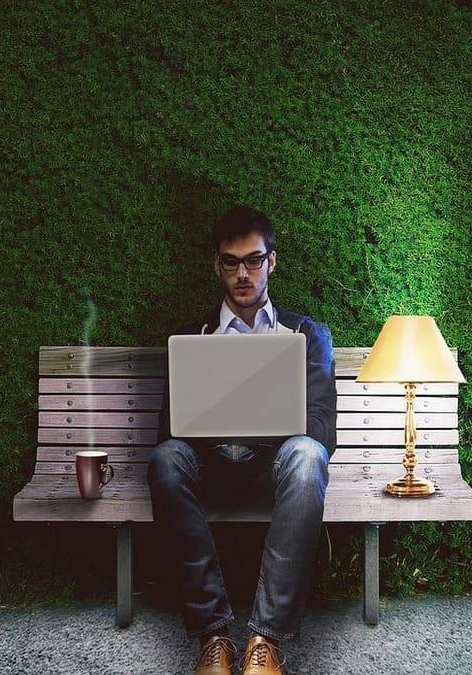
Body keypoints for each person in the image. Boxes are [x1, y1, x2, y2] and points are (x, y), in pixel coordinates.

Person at [147, 205, 337, 675]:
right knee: (167, 458)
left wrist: (269, 422)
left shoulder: (306, 335)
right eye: (231, 262)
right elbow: (169, 427)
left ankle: (265, 641)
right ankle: (214, 637)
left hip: (276, 470)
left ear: (272, 261)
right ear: (217, 266)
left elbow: (322, 427)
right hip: (210, 468)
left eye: (253, 260)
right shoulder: (193, 337)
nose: (243, 273)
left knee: (308, 455)